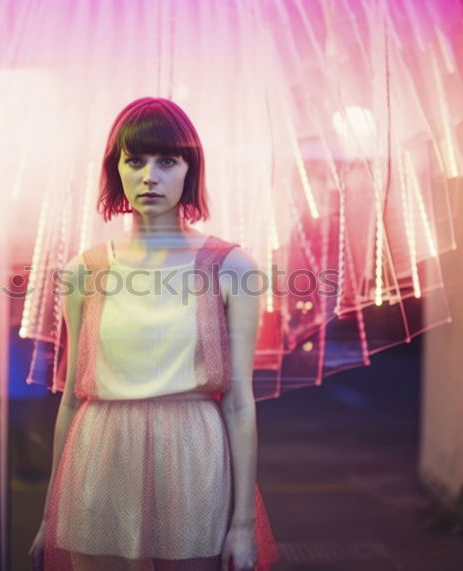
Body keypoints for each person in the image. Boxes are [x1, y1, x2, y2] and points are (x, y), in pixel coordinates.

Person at [29, 97, 278, 571]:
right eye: (135, 160)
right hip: (99, 458)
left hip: (193, 458)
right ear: (116, 169)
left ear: (190, 169)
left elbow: (240, 401)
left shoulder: (231, 269)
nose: (150, 176)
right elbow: (70, 399)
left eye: (167, 160)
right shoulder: (84, 271)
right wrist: (49, 514)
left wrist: (242, 525)